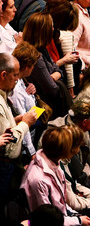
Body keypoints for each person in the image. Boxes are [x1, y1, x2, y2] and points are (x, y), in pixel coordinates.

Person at [21, 125, 90, 226]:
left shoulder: (55, 164)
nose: (76, 151)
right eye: (73, 146)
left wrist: (76, 216)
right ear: (65, 149)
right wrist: (78, 221)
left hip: (66, 217)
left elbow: (62, 204)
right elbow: (45, 220)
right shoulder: (38, 179)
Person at [0, 53, 38, 212]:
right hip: (3, 166)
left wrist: (15, 121)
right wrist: (25, 124)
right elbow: (7, 144)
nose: (17, 80)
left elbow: (4, 129)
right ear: (3, 75)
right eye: (15, 75)